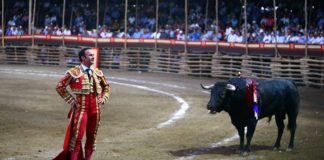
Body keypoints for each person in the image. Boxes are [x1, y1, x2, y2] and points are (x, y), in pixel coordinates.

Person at [53, 48, 111, 160]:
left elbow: (106, 87)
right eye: (90, 55)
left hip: (96, 110)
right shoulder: (74, 72)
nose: (93, 57)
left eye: (93, 55)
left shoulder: (97, 72)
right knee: (77, 138)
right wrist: (71, 100)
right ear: (82, 58)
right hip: (82, 109)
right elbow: (60, 87)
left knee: (92, 138)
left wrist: (104, 98)